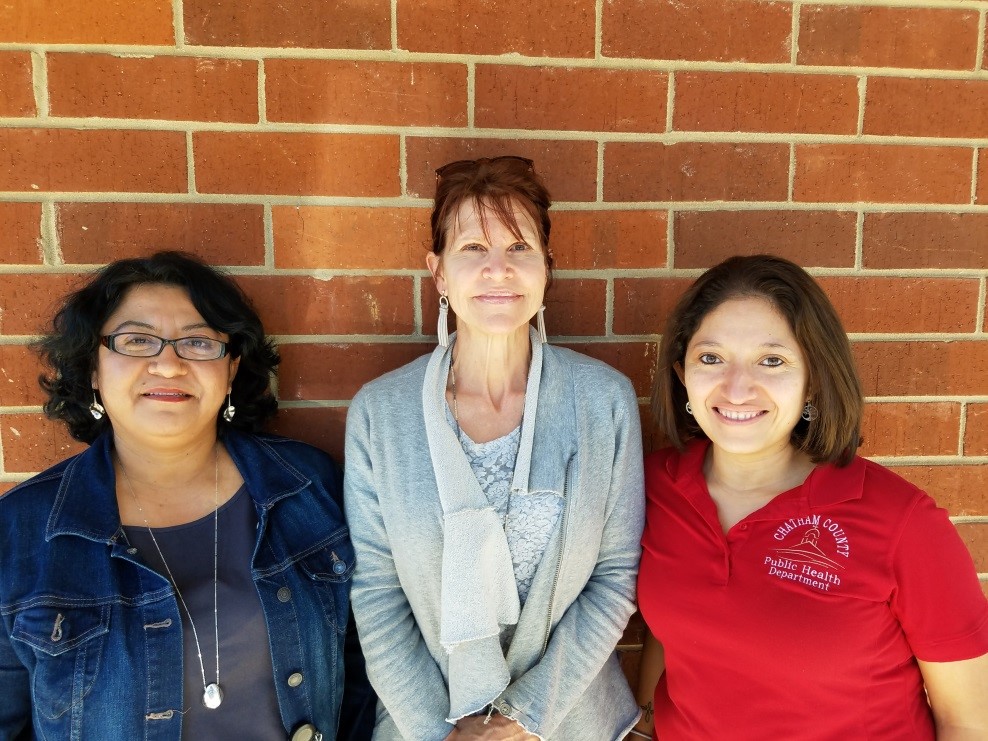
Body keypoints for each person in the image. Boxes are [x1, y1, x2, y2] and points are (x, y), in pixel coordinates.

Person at [0, 251, 374, 740]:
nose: (169, 364)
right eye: (136, 341)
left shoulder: (305, 484)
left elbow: (363, 667)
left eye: (197, 342)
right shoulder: (23, 529)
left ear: (232, 368)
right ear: (93, 367)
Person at [344, 156, 645, 740]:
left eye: (519, 249)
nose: (498, 269)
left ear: (546, 269)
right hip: (423, 727)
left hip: (570, 722)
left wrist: (517, 722)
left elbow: (614, 576)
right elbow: (376, 593)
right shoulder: (381, 414)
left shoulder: (603, 401)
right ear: (438, 273)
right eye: (473, 249)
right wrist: (444, 733)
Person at [631, 254, 988, 740]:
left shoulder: (902, 522)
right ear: (681, 374)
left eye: (771, 360)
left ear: (813, 380)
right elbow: (671, 630)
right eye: (711, 358)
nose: (737, 388)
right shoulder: (652, 487)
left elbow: (968, 722)